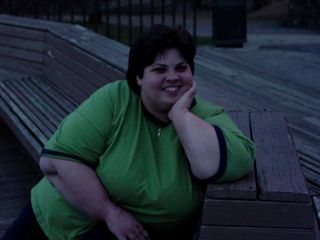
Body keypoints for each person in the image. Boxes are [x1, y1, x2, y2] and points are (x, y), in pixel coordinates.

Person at [1, 24, 255, 240]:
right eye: (159, 69)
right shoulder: (114, 100)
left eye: (181, 68)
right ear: (139, 77)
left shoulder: (205, 117)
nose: (173, 77)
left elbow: (217, 165)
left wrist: (180, 116)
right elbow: (57, 160)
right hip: (59, 216)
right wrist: (110, 213)